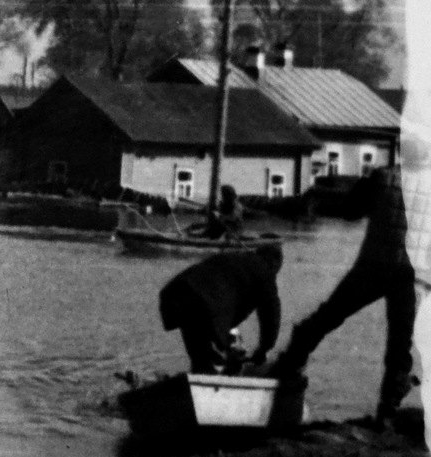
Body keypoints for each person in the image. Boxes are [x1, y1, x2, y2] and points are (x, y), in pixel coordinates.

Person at [272, 163, 416, 427]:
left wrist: (320, 201)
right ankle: (388, 410)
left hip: (372, 265)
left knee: (329, 315)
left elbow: (351, 212)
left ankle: (288, 366)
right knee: (400, 341)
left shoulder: (382, 176)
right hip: (408, 272)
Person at [158, 243, 284, 375]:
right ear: (274, 262)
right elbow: (271, 315)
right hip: (205, 303)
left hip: (176, 294)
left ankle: (199, 381)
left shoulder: (235, 258)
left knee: (201, 359)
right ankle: (215, 382)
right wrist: (264, 349)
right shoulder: (264, 271)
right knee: (217, 354)